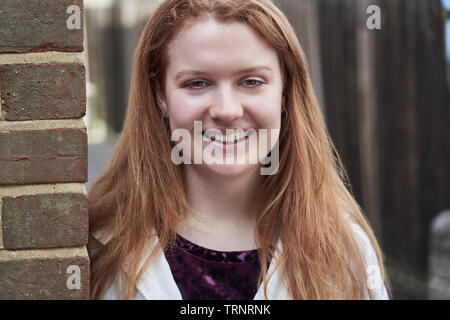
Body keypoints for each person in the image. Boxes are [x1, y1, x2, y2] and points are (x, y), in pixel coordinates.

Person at [88, 0, 390, 300]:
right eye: (197, 83)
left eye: (251, 81)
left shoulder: (346, 253)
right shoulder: (95, 248)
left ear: (285, 91)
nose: (227, 110)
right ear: (160, 95)